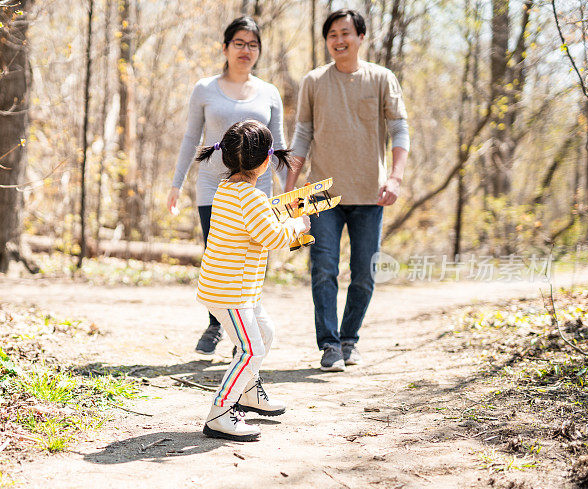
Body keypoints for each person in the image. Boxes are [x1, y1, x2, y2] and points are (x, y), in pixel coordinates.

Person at [285, 9, 410, 372]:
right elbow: (302, 135)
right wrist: (290, 191)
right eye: (331, 35)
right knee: (323, 269)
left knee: (364, 273)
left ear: (360, 37)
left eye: (345, 33)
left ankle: (349, 339)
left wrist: (396, 178)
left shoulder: (382, 78)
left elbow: (400, 130)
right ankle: (329, 345)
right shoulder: (313, 81)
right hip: (321, 192)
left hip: (371, 192)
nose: (338, 41)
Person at [168, 16, 287, 356]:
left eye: (253, 44)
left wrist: (289, 188)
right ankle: (216, 322)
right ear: (225, 47)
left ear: (259, 50)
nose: (246, 50)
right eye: (239, 43)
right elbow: (191, 137)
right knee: (220, 254)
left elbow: (277, 145)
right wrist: (176, 183)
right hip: (213, 188)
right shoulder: (205, 88)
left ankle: (244, 329)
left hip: (259, 186)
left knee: (255, 255)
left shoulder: (270, 92)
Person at [195, 120, 310, 441]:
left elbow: (255, 229)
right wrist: (299, 224)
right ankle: (220, 413)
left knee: (264, 333)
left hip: (234, 289)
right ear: (263, 161)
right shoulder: (253, 197)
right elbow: (272, 238)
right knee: (250, 350)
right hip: (230, 292)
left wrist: (282, 216)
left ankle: (247, 393)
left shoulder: (228, 189)